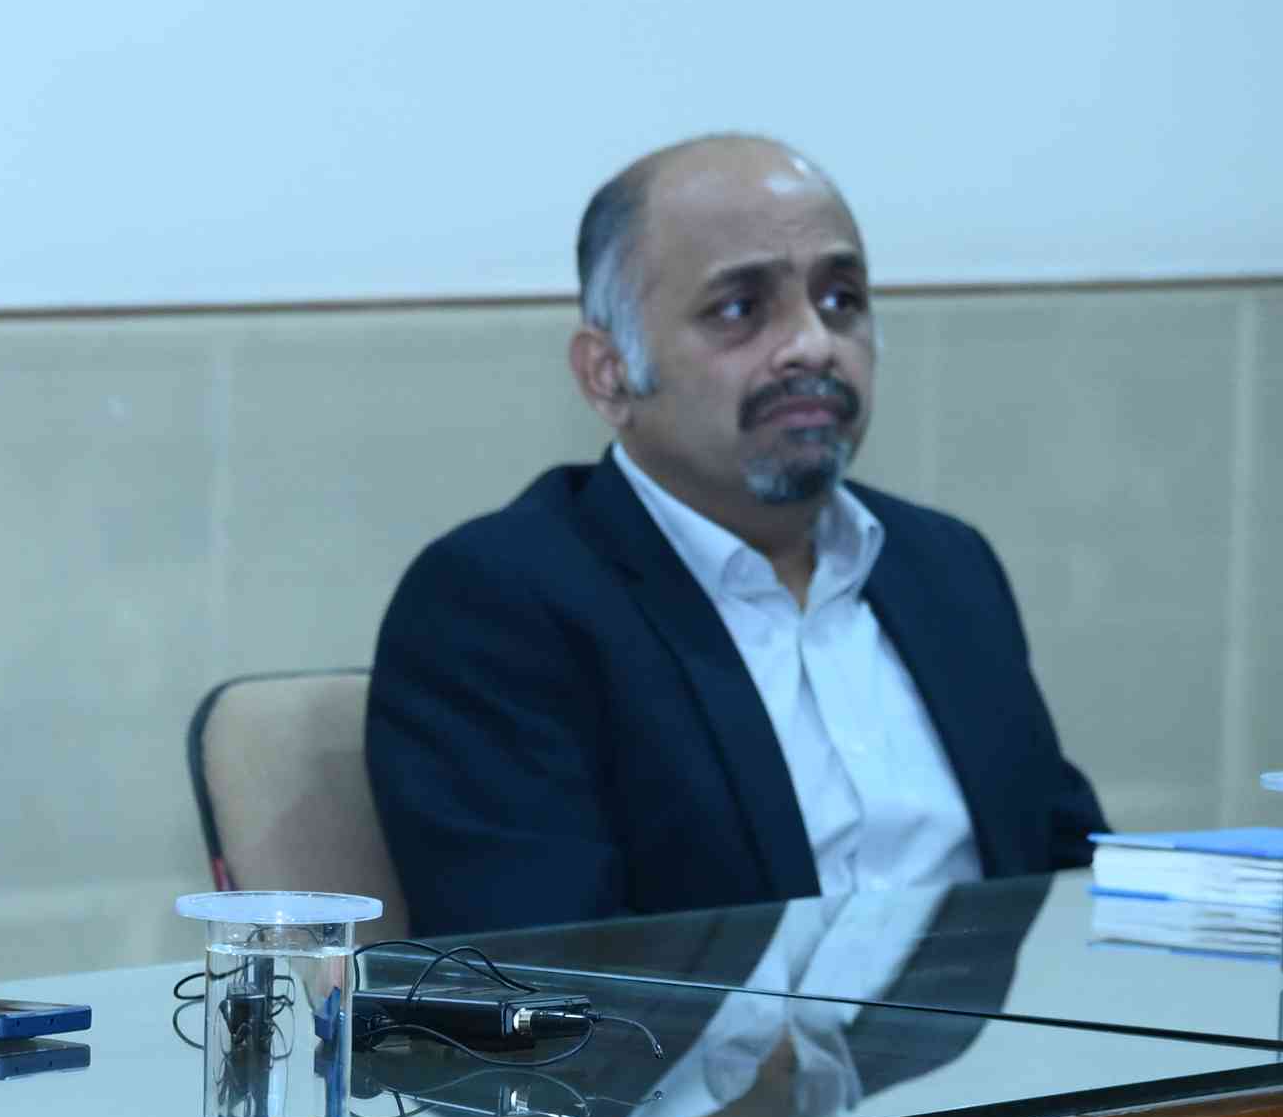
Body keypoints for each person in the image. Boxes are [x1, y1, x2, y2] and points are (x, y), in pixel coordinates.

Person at [366, 135, 1107, 939]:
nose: (814, 345)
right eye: (739, 309)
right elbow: (542, 966)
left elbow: (1070, 875)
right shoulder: (499, 606)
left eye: (841, 300)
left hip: (1012, 1025)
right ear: (609, 374)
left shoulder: (945, 566)